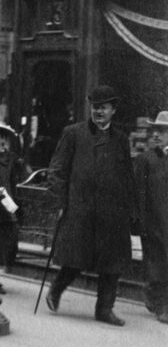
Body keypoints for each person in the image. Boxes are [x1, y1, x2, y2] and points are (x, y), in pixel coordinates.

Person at [44, 85, 138, 326]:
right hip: (81, 208)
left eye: (103, 107)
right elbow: (57, 170)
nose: (98, 111)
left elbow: (127, 176)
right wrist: (61, 202)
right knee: (77, 257)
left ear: (113, 110)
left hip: (112, 212)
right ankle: (56, 290)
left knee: (112, 263)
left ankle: (104, 309)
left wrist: (130, 210)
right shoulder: (73, 133)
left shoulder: (121, 140)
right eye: (95, 107)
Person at [135, 112, 168, 324]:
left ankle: (160, 304)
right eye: (154, 131)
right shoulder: (147, 159)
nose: (156, 135)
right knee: (156, 266)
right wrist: (140, 221)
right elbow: (139, 192)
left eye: (162, 131)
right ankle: (158, 303)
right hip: (154, 222)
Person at [0, 121, 26, 291]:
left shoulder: (11, 159)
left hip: (7, 204)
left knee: (7, 241)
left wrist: (15, 205)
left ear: (3, 139)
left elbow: (14, 182)